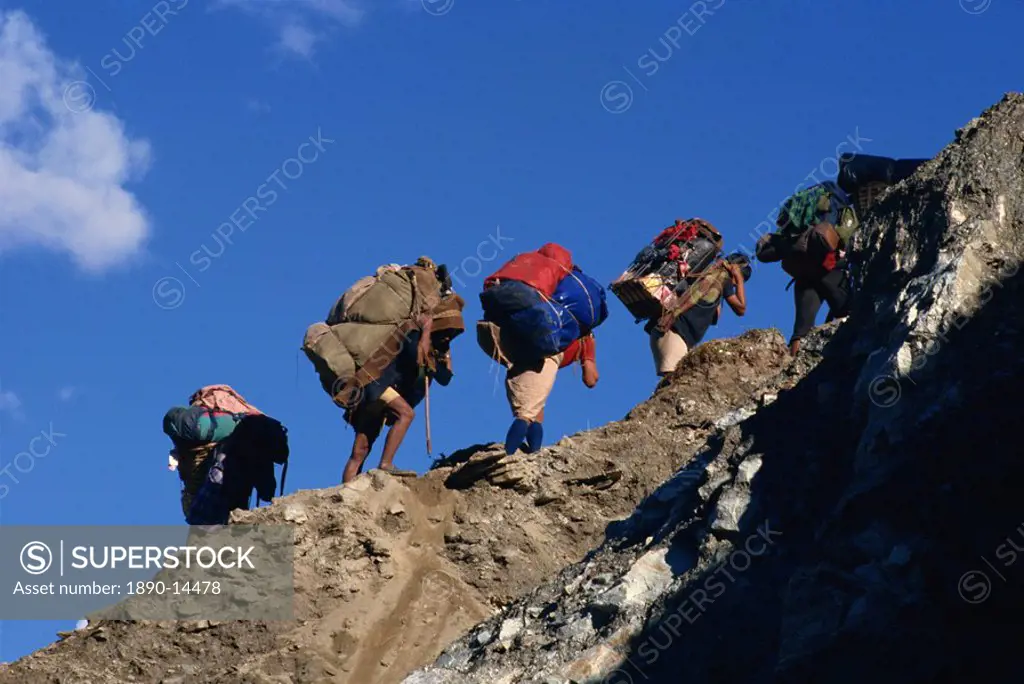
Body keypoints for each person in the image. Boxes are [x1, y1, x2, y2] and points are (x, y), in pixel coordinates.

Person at [341, 295, 464, 483]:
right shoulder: (413, 335)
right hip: (376, 384)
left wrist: (447, 353)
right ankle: (386, 464)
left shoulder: (436, 352)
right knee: (406, 414)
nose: (448, 336)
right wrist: (426, 331)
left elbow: (444, 378)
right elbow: (416, 357)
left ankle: (347, 491)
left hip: (381, 394)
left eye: (452, 334)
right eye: (447, 330)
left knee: (361, 448)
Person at [647, 253, 750, 377]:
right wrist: (739, 279)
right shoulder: (723, 279)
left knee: (676, 382)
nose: (734, 286)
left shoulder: (709, 276)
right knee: (676, 382)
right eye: (736, 283)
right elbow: (741, 309)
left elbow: (712, 311)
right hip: (673, 334)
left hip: (669, 333)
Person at [503, 332, 599, 455]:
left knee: (536, 415)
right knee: (526, 415)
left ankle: (533, 455)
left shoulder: (559, 327)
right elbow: (590, 379)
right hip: (543, 363)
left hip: (518, 360)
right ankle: (506, 456)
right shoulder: (585, 337)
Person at [787, 251, 851, 356]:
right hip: (832, 271)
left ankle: (792, 366)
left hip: (804, 275)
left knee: (801, 330)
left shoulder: (810, 237)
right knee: (847, 314)